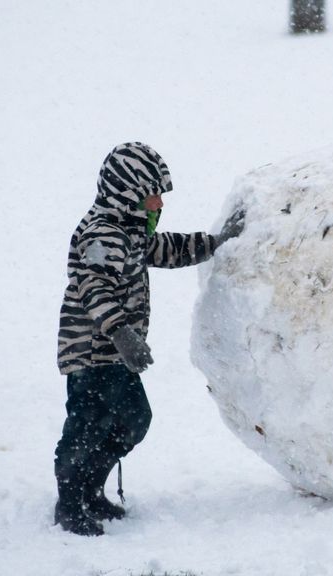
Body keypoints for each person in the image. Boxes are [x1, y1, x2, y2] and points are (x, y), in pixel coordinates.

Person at [53, 142, 244, 536]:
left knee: (133, 419)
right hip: (91, 354)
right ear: (127, 189)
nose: (158, 202)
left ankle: (91, 488)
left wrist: (217, 242)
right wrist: (122, 333)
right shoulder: (101, 235)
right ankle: (71, 503)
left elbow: (167, 248)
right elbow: (94, 289)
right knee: (86, 425)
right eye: (151, 192)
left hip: (116, 356)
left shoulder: (131, 231)